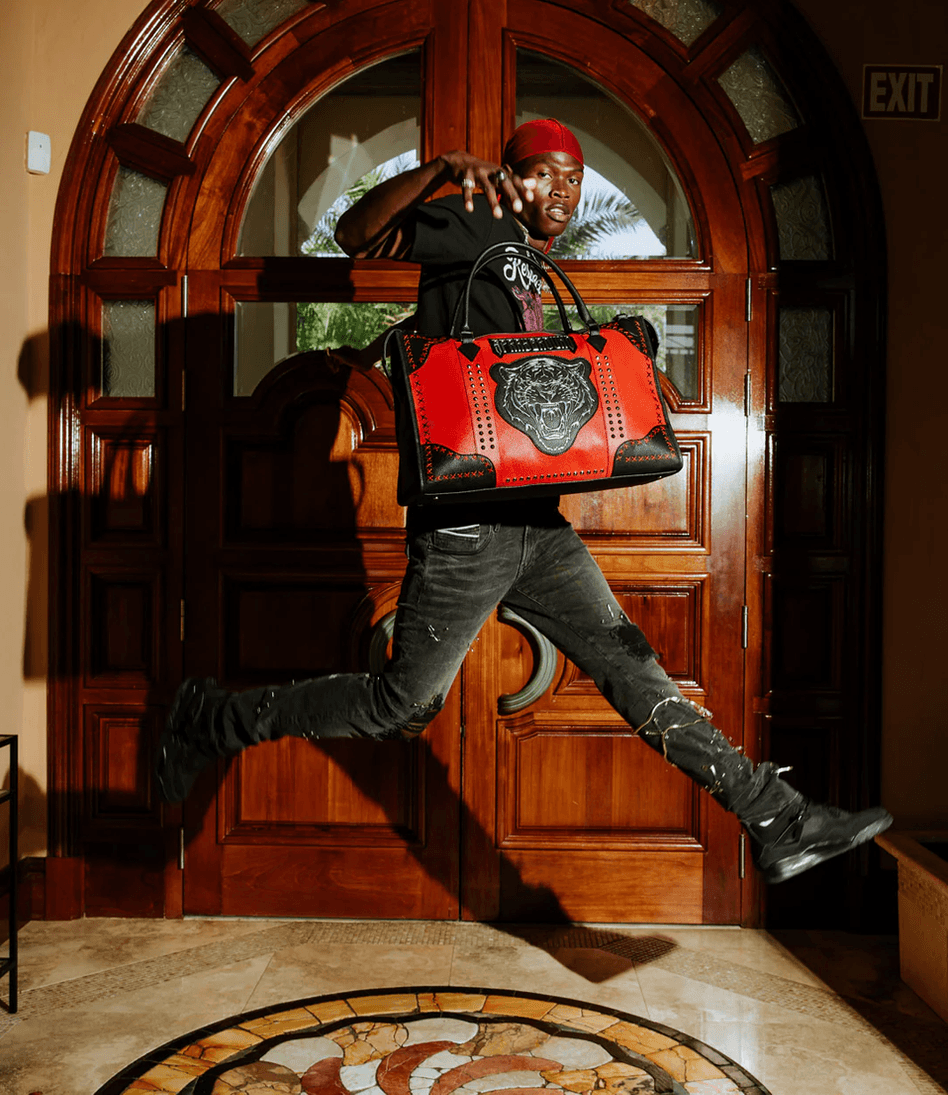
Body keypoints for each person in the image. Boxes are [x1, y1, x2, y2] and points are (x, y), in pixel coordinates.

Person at [156, 118, 891, 885]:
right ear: (509, 179)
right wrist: (441, 168)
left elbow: (474, 342)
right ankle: (211, 718)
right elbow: (353, 234)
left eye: (574, 178)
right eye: (546, 173)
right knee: (401, 704)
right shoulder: (474, 220)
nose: (564, 190)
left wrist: (408, 336)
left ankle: (777, 816)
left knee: (638, 674)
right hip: (467, 527)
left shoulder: (528, 262)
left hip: (540, 528)